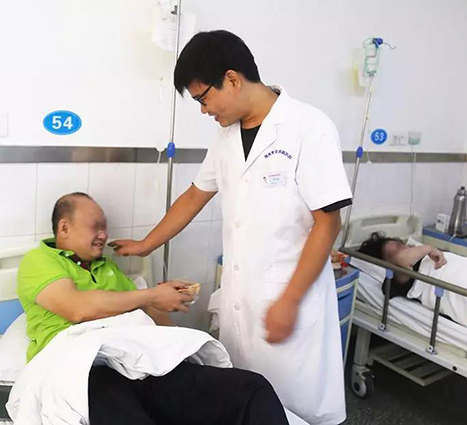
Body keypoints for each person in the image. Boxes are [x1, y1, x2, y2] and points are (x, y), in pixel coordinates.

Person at [111, 30, 352, 425]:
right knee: (241, 405)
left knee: (293, 411)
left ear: (233, 79)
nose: (204, 110)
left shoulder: (309, 127)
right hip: (243, 300)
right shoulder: (225, 135)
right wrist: (145, 245)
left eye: (203, 98)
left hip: (290, 299)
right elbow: (195, 195)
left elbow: (328, 222)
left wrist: (290, 300)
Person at [17, 192, 290, 425]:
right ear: (64, 228)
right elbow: (76, 308)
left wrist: (167, 309)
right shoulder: (40, 261)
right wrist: (150, 295)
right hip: (87, 370)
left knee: (252, 389)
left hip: (140, 362)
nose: (104, 235)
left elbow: (149, 320)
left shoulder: (109, 269)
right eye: (96, 227)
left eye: (105, 228)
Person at [359, 232, 467, 331]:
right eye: (392, 255)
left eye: (400, 245)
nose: (402, 250)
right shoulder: (398, 279)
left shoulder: (424, 256)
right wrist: (429, 248)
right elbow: (401, 258)